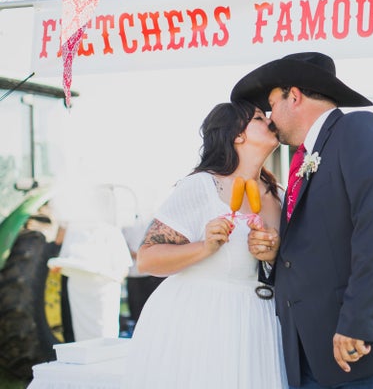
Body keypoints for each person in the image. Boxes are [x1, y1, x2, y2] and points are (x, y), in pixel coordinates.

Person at [233, 52, 373, 388]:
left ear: (294, 96)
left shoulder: (359, 129)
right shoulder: (304, 162)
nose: (270, 118)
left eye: (272, 104)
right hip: (317, 360)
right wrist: (275, 255)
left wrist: (358, 322)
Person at [122, 101, 287, 389]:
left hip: (261, 325)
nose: (271, 120)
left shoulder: (278, 196)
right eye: (260, 117)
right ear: (238, 135)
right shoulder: (202, 188)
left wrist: (273, 254)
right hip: (203, 324)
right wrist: (204, 247)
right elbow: (146, 259)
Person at [48, 183, 133, 341]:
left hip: (103, 293)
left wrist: (111, 278)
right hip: (78, 291)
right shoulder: (74, 230)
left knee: (104, 335)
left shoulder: (110, 231)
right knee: (82, 338)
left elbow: (123, 267)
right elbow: (63, 259)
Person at [120, 214, 165, 333]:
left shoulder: (156, 212)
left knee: (158, 316)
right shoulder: (125, 215)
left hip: (156, 274)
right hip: (134, 275)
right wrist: (140, 255)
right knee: (138, 317)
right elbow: (121, 244)